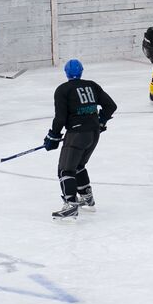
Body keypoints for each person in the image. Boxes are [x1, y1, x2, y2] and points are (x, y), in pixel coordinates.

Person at [44, 59, 117, 219]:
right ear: (82, 71)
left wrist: (53, 136)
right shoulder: (92, 85)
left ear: (66, 73)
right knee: (78, 166)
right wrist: (101, 121)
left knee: (65, 170)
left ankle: (70, 205)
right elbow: (111, 106)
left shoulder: (63, 90)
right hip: (93, 134)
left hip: (77, 135)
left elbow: (60, 118)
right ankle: (87, 198)